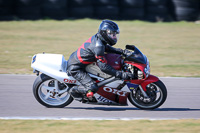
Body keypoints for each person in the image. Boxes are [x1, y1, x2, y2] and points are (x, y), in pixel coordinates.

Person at [67, 20, 133, 99]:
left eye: (115, 34)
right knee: (92, 87)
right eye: (112, 35)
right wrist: (120, 74)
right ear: (105, 33)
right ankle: (73, 90)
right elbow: (103, 67)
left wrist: (121, 52)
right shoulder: (98, 46)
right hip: (76, 68)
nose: (114, 37)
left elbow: (106, 47)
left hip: (79, 60)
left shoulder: (99, 38)